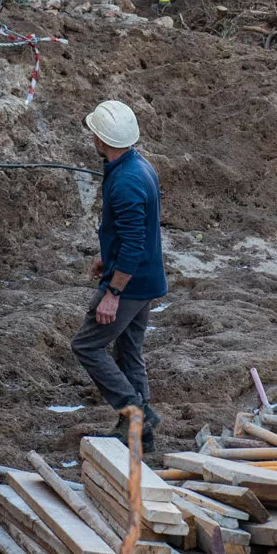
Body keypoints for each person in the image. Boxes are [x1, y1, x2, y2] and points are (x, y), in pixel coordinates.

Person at [73, 100, 167, 450]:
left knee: (86, 345)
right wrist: (106, 255)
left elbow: (133, 243)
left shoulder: (126, 181)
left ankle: (136, 414)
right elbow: (134, 232)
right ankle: (141, 437)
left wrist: (112, 293)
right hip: (146, 280)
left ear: (100, 138)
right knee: (128, 352)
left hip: (130, 284)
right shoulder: (139, 167)